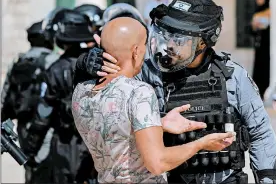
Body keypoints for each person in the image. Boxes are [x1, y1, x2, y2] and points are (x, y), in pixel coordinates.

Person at [75, 0, 276, 184]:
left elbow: (260, 133)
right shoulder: (148, 73)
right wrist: (87, 65)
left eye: (179, 39)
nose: (169, 45)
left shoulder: (233, 76)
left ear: (203, 42)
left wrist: (266, 177)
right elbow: (100, 97)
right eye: (167, 35)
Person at [72, 17, 235, 183]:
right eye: (144, 45)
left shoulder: (81, 91)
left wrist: (159, 124)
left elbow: (113, 129)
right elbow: (157, 162)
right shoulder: (138, 92)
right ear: (136, 51)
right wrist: (200, 144)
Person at [25, 9, 98, 184]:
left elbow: (43, 114)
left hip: (64, 145)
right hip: (94, 145)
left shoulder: (55, 70)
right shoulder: (96, 66)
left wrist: (30, 148)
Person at [1, 19, 61, 184]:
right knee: (47, 170)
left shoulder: (19, 61)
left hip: (23, 125)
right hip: (47, 126)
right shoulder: (53, 60)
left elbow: (5, 96)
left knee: (29, 167)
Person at [250, 0, 271, 100]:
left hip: (267, 47)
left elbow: (269, 29)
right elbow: (252, 31)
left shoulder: (269, 12)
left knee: (265, 69)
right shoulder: (257, 12)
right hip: (258, 46)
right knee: (258, 69)